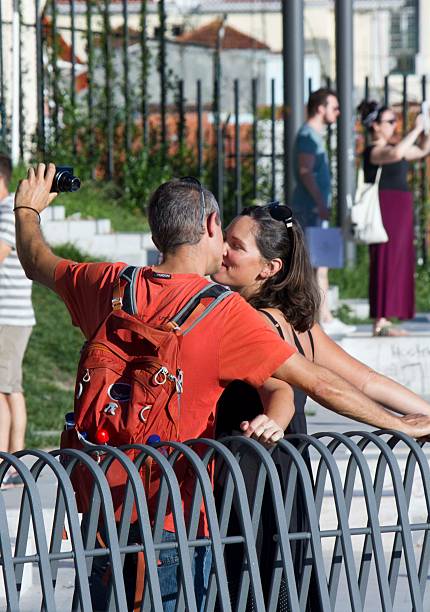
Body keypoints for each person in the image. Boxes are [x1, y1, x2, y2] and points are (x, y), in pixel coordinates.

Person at [14, 164, 430, 611]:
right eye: (226, 237)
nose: (228, 249)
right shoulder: (224, 314)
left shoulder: (109, 283)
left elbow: (37, 260)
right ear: (211, 226)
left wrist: (27, 209)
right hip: (179, 513)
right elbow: (316, 382)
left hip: (102, 502)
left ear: (158, 237)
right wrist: (396, 425)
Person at [213, 203, 430, 610]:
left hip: (251, 474)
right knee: (287, 583)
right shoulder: (296, 322)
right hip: (288, 473)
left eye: (235, 245)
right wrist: (424, 415)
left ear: (268, 268)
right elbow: (368, 380)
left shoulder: (254, 322)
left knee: (253, 587)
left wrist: (406, 424)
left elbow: (285, 390)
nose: (222, 249)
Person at [358, 101, 430, 336]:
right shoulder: (374, 151)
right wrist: (416, 129)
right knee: (385, 258)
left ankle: (387, 317)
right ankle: (380, 319)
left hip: (399, 206)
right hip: (385, 207)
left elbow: (420, 151)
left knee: (399, 259)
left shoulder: (392, 147)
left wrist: (426, 127)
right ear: (375, 126)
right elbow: (397, 152)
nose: (394, 125)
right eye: (389, 121)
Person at [292, 87, 355, 336]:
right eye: (334, 107)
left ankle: (324, 315)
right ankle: (323, 318)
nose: (338, 113)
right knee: (318, 263)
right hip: (310, 208)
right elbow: (306, 172)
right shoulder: (308, 135)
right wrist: (320, 202)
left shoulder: (313, 134)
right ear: (321, 108)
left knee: (320, 263)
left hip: (314, 207)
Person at [0, 155, 35, 487]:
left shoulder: (8, 212)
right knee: (9, 389)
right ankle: (14, 460)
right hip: (9, 315)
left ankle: (9, 461)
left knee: (3, 389)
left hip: (9, 316)